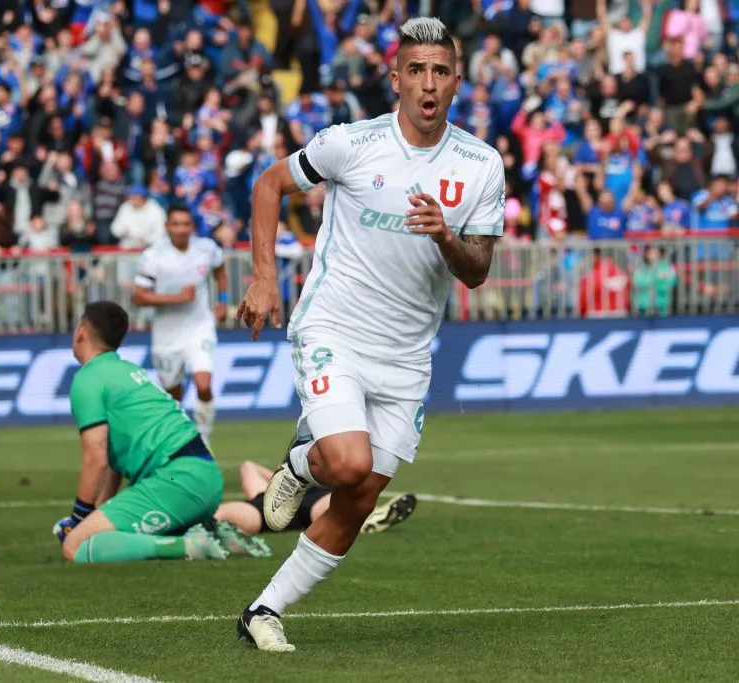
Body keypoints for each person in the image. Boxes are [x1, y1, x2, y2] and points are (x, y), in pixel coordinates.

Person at [233, 17, 504, 651]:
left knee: (355, 499)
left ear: (457, 81)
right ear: (396, 79)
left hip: (408, 355)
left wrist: (445, 236)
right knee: (347, 464)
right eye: (416, 71)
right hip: (335, 326)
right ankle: (304, 460)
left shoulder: (481, 165)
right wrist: (265, 278)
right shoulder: (349, 144)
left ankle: (263, 610)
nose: (428, 84)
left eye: (440, 71)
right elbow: (269, 184)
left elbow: (478, 272)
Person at [55, 301, 266, 564]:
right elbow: (112, 463)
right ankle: (208, 533)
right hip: (204, 478)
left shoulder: (88, 379)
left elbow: (95, 457)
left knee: (76, 547)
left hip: (175, 481)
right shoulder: (128, 370)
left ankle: (189, 545)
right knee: (101, 534)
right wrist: (95, 515)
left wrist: (78, 519)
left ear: (80, 333)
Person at [131, 204, 228, 440]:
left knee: (203, 384)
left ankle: (203, 437)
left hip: (200, 326)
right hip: (167, 333)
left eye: (186, 224)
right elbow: (138, 296)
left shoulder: (206, 248)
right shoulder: (153, 256)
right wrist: (177, 298)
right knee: (173, 394)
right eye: (176, 224)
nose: (181, 229)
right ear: (167, 227)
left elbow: (219, 269)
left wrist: (223, 300)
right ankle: (179, 438)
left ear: (192, 227)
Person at [214, 461, 417, 536]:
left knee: (220, 514)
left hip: (272, 509)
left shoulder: (263, 492)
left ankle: (369, 519)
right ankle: (369, 519)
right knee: (339, 509)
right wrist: (283, 480)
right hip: (299, 500)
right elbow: (248, 466)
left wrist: (283, 480)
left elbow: (249, 467)